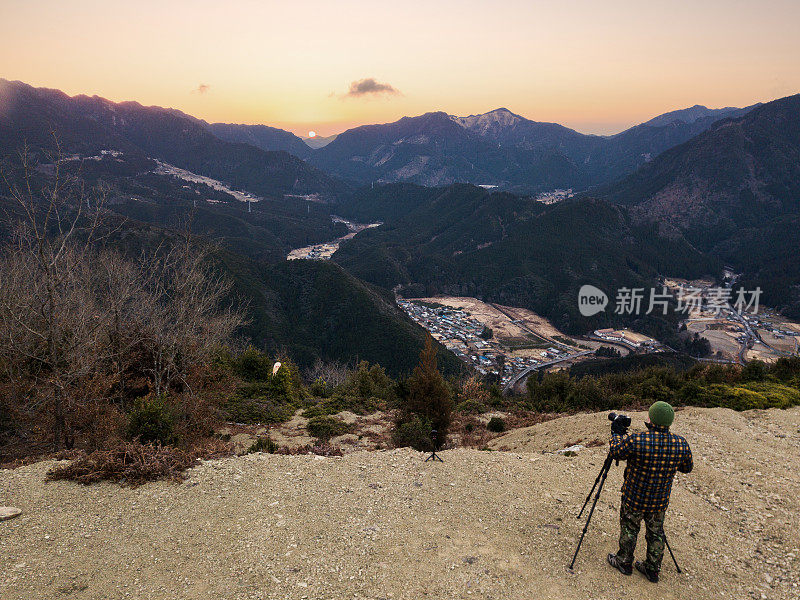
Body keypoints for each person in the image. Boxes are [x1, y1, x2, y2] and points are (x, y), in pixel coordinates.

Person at [606, 401, 693, 583]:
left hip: (634, 497)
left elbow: (616, 452)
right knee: (655, 533)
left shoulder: (637, 439)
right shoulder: (681, 443)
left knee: (630, 528)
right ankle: (652, 569)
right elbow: (687, 468)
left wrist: (615, 434)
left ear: (651, 419)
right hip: (659, 500)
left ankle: (624, 561)